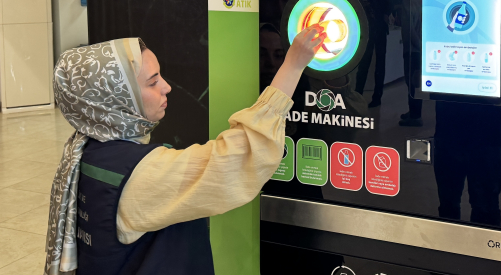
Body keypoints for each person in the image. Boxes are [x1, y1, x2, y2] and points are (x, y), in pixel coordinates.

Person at [44, 25, 326, 275]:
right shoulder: (141, 175)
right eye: (152, 82)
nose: (166, 87)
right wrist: (292, 66)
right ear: (116, 97)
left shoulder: (85, 149)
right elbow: (236, 160)